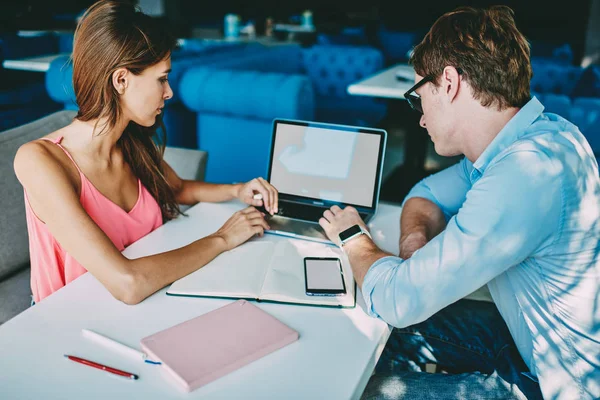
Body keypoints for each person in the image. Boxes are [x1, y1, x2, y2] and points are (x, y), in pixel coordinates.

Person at [319, 6, 600, 400]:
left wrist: (353, 238)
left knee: (352, 391)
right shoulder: (538, 138)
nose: (419, 119)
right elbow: (425, 194)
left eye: (419, 96)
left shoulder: (524, 173)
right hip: (528, 343)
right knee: (378, 334)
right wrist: (412, 249)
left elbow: (399, 300)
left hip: (559, 386)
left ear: (448, 83)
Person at [13, 0, 278, 306]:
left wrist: (238, 189)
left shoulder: (129, 140)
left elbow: (179, 188)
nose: (169, 92)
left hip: (150, 303)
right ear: (121, 80)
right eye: (162, 78)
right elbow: (128, 283)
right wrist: (223, 238)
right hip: (71, 325)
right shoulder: (40, 161)